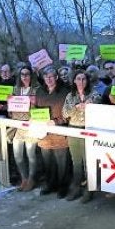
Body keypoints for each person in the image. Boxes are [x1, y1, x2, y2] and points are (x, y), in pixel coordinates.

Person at [62, 70, 102, 202]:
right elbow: (65, 113)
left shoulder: (94, 94)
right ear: (74, 81)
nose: (81, 81)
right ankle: (76, 188)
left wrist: (91, 104)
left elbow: (100, 105)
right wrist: (76, 107)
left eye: (83, 79)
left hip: (88, 130)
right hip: (73, 130)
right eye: (78, 79)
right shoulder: (70, 95)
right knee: (76, 162)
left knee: (88, 162)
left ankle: (89, 190)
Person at [35, 66, 70, 198]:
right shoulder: (39, 91)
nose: (49, 79)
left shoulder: (65, 91)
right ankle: (50, 184)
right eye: (46, 77)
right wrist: (34, 117)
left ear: (56, 77)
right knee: (47, 161)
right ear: (43, 78)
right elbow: (35, 108)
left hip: (60, 131)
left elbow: (68, 112)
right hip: (43, 131)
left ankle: (63, 187)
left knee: (62, 162)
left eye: (51, 76)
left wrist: (56, 121)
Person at [8, 65, 40, 191]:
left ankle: (31, 179)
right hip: (18, 126)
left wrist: (34, 104)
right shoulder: (15, 89)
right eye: (22, 74)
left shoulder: (37, 89)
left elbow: (40, 107)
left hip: (31, 125)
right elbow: (10, 111)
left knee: (31, 154)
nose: (25, 77)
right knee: (18, 155)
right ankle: (24, 178)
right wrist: (9, 104)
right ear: (19, 76)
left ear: (31, 75)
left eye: (27, 74)